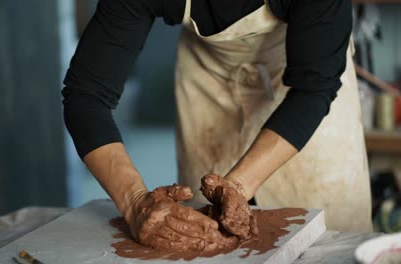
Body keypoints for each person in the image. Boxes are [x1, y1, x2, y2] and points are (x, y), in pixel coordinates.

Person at [62, 0, 373, 247]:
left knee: (328, 245)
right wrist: (134, 204)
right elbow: (86, 97)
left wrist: (236, 187)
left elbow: (313, 90)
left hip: (307, 93)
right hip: (210, 80)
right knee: (204, 235)